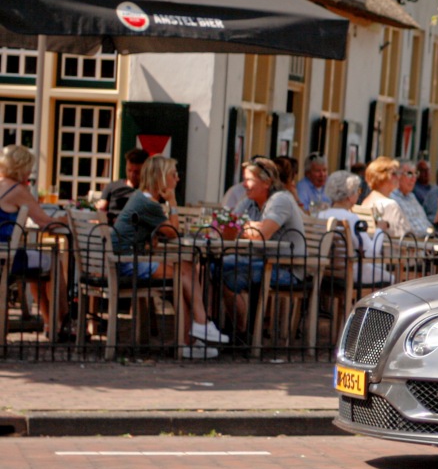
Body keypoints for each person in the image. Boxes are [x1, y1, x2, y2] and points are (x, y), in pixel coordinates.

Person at [112, 156, 229, 358]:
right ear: (161, 178)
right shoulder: (149, 203)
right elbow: (174, 232)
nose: (177, 179)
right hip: (125, 264)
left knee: (185, 270)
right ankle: (197, 329)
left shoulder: (142, 198)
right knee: (183, 270)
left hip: (124, 259)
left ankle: (190, 339)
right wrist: (173, 201)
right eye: (173, 175)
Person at [220, 158, 307, 334]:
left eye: (249, 180)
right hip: (258, 260)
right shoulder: (249, 200)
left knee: (228, 277)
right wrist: (249, 226)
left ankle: (245, 333)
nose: (244, 185)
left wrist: (244, 226)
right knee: (211, 267)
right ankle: (236, 329)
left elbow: (262, 235)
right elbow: (226, 226)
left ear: (266, 182)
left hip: (286, 268)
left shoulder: (280, 200)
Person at [0, 144, 67, 340]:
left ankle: (50, 322)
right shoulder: (17, 189)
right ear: (21, 167)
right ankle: (60, 321)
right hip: (6, 258)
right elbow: (45, 223)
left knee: (37, 262)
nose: (30, 172)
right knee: (53, 260)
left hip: (3, 254)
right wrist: (65, 219)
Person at [316, 170, 393, 287]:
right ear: (350, 195)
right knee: (390, 278)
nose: (358, 194)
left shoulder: (322, 215)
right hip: (350, 271)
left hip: (326, 269)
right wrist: (379, 229)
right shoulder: (351, 218)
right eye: (358, 191)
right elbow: (371, 253)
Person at [358, 156, 414, 241]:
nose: (398, 177)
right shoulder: (389, 205)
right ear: (381, 177)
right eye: (394, 174)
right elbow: (405, 238)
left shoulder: (366, 201)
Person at [96, 147, 149, 225]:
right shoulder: (113, 186)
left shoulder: (149, 191)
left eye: (137, 172)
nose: (132, 175)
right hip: (111, 229)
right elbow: (101, 208)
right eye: (129, 170)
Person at [390, 159, 435, 239]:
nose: (414, 179)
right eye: (409, 174)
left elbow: (426, 223)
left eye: (416, 174)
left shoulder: (412, 196)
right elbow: (404, 230)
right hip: (410, 245)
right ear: (398, 176)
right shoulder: (391, 198)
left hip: (425, 243)